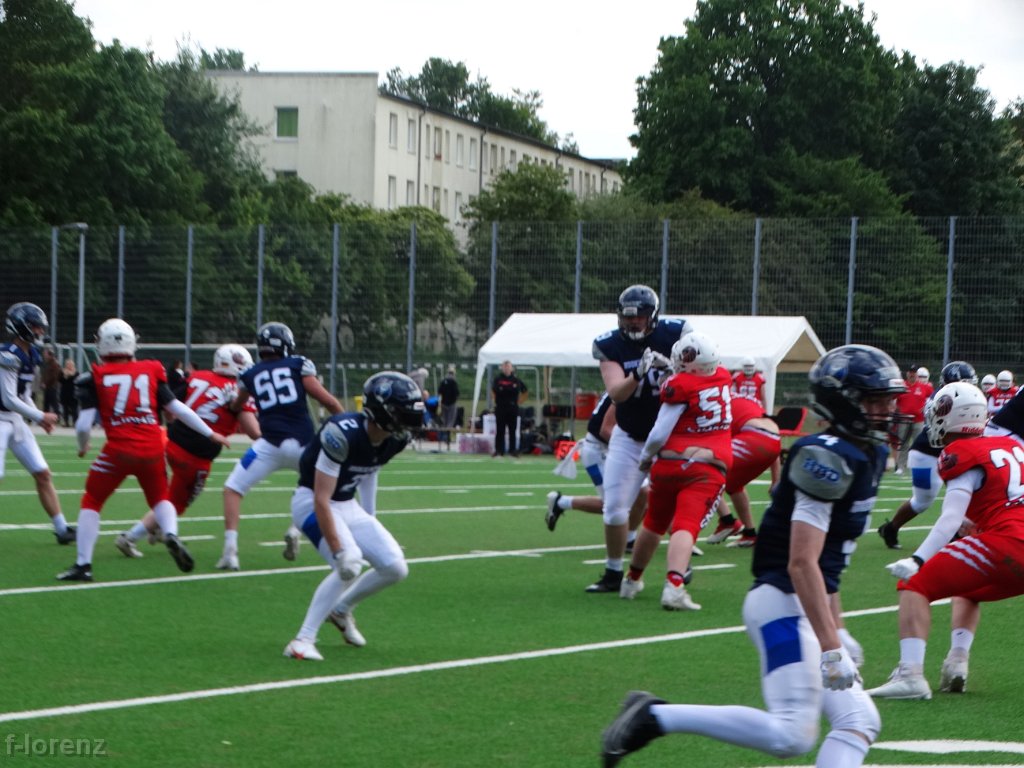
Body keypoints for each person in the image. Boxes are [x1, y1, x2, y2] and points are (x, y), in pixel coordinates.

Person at [601, 343, 904, 768]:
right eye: (875, 401)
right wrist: (831, 645)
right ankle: (654, 717)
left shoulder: (866, 452)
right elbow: (802, 562)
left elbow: (829, 565)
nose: (888, 410)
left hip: (806, 605)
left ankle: (654, 715)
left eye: (889, 400)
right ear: (844, 401)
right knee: (792, 734)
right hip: (782, 603)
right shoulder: (827, 457)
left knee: (859, 720)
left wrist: (837, 627)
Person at [867, 381, 1024, 700]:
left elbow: (950, 518)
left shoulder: (960, 451)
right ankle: (956, 664)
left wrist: (917, 559)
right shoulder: (1012, 446)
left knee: (914, 584)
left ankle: (910, 675)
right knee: (967, 588)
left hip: (1008, 543)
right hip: (1011, 541)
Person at [56, 318, 230, 582]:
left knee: (92, 500)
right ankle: (170, 533)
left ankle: (83, 564)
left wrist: (83, 446)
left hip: (119, 449)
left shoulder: (94, 377)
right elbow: (178, 409)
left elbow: (82, 425)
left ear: (101, 344)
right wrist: (210, 432)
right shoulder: (150, 370)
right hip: (152, 447)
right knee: (160, 498)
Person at [283, 372, 424, 661]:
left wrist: (370, 517)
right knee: (349, 563)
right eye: (401, 412)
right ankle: (302, 640)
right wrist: (338, 550)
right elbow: (321, 498)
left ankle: (341, 610)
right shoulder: (342, 433)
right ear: (381, 410)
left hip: (346, 504)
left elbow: (370, 469)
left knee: (395, 567)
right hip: (310, 502)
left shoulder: (395, 438)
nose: (407, 420)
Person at [587, 285, 691, 594]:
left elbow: (703, 373)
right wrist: (638, 373)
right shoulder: (610, 345)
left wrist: (677, 371)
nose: (633, 323)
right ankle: (613, 571)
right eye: (628, 317)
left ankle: (679, 564)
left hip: (670, 438)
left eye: (640, 317)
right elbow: (617, 393)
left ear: (653, 316)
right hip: (629, 436)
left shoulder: (677, 333)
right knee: (615, 508)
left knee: (677, 504)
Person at [113, 344, 262, 558]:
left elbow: (170, 404)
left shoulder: (198, 377)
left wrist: (172, 422)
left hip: (173, 442)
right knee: (176, 502)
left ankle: (159, 529)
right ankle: (131, 537)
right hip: (197, 455)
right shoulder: (239, 390)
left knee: (173, 492)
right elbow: (253, 431)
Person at [620, 332, 733, 610]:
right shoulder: (722, 376)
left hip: (669, 462)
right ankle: (674, 587)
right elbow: (696, 383)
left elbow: (660, 432)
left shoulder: (679, 385)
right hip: (706, 465)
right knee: (686, 525)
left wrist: (646, 457)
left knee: (654, 523)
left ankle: (631, 580)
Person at [219, 321, 343, 571]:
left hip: (269, 445)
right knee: (320, 492)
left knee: (233, 489)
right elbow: (326, 400)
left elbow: (237, 406)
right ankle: (295, 529)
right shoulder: (298, 364)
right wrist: (345, 421)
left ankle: (230, 551)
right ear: (286, 345)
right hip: (305, 445)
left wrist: (231, 402)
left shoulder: (249, 374)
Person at [877, 361, 977, 550]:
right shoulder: (942, 400)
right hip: (927, 453)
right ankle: (891, 528)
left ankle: (956, 536)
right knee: (922, 501)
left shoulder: (965, 398)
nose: (971, 387)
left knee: (967, 494)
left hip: (953, 453)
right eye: (966, 382)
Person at [0, 302, 75, 544]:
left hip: (14, 420)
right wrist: (40, 416)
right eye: (35, 327)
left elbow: (23, 396)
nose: (40, 331)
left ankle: (61, 529)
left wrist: (37, 416)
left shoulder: (31, 354)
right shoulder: (8, 354)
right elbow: (8, 398)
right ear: (22, 326)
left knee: (42, 473)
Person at [545, 393, 649, 548]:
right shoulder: (627, 391)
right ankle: (561, 502)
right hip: (598, 452)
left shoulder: (636, 389)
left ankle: (629, 538)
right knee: (612, 503)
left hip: (615, 450)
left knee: (644, 493)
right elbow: (604, 430)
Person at [706, 392, 782, 548]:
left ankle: (727, 521)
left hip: (754, 438)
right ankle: (750, 534)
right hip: (774, 441)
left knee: (701, 471)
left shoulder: (713, 401)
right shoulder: (743, 398)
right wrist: (776, 480)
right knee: (733, 485)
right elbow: (768, 435)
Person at [892, 365, 932, 475]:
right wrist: (897, 410)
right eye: (910, 372)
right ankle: (901, 467)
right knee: (903, 443)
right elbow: (894, 399)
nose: (912, 374)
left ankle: (916, 466)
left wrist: (926, 407)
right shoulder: (902, 386)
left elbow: (932, 397)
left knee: (918, 444)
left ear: (916, 374)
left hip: (918, 420)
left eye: (914, 372)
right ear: (907, 374)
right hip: (903, 419)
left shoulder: (924, 387)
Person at [490, 360, 527, 457]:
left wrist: (519, 401)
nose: (506, 368)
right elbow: (495, 390)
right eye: (505, 367)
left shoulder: (516, 379)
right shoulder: (498, 379)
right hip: (500, 407)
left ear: (511, 368)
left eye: (508, 367)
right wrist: (509, 389)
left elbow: (522, 390)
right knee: (500, 430)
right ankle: (499, 450)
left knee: (512, 430)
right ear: (502, 368)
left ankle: (512, 450)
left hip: (512, 408)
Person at [437, 366, 460, 445]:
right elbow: (457, 393)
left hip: (444, 403)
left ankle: (444, 436)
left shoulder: (443, 381)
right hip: (452, 403)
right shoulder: (454, 381)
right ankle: (447, 436)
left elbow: (439, 391)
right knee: (450, 421)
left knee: (445, 420)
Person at [40, 348, 61, 415]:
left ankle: (57, 416)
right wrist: (43, 382)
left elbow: (54, 376)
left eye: (45, 354)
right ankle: (46, 416)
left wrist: (45, 383)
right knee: (46, 404)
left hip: (52, 387)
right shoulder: (47, 363)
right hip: (48, 387)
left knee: (54, 403)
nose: (44, 356)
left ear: (50, 355)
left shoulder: (54, 364)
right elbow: (44, 374)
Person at [59, 357, 79, 427]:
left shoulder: (76, 372)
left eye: (70, 364)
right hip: (65, 393)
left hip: (73, 393)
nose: (69, 366)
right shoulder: (62, 372)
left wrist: (70, 375)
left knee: (74, 409)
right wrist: (65, 376)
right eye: (67, 364)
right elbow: (60, 380)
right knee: (65, 409)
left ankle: (75, 422)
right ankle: (66, 422)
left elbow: (76, 380)